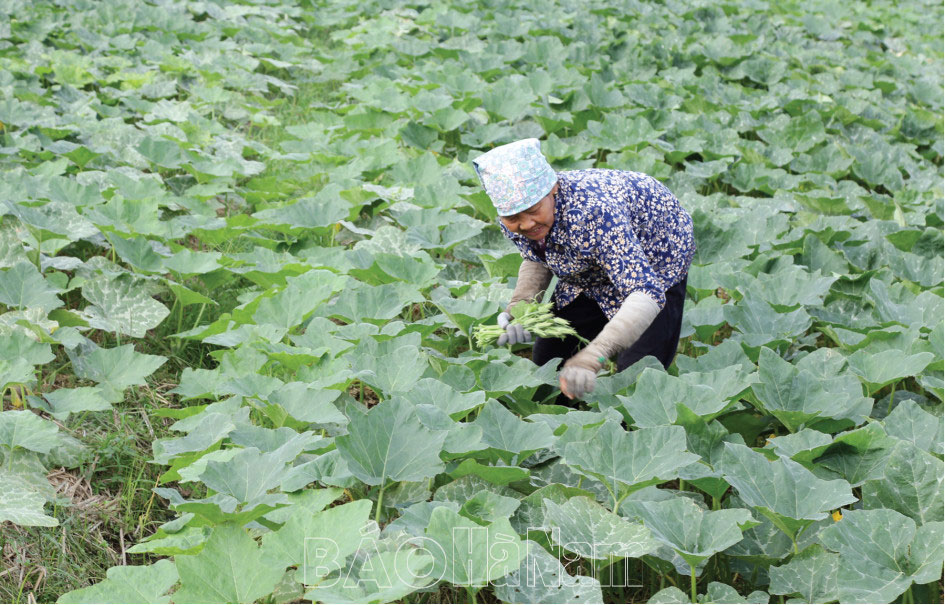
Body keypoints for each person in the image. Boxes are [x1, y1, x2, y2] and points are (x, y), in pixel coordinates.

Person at [472, 138, 694, 400]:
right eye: (513, 218)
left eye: (533, 210)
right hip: (588, 267)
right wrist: (519, 308)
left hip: (655, 257)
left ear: (553, 188)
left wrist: (594, 356)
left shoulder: (594, 214)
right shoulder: (513, 217)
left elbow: (646, 293)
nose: (526, 224)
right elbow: (536, 257)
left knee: (637, 377)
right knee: (548, 360)